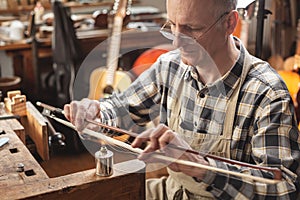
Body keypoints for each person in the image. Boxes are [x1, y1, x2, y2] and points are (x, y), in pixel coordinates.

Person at [64, 0, 300, 199]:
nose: (176, 42)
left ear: (229, 23)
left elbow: (284, 190)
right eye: (172, 26)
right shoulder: (170, 66)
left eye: (191, 29)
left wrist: (203, 168)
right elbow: (121, 109)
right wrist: (97, 113)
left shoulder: (267, 92)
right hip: (174, 191)